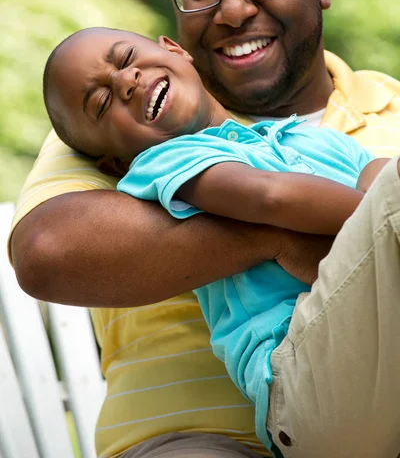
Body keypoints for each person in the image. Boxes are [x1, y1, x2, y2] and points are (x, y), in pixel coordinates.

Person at [9, 0, 400, 458]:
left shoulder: (378, 106)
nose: (233, 10)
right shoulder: (130, 141)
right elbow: (46, 250)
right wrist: (288, 235)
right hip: (205, 437)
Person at [43, 24, 387, 455]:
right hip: (302, 372)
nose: (126, 82)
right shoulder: (170, 162)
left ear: (176, 50)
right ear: (113, 162)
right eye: (102, 101)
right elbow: (270, 196)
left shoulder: (303, 138)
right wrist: (377, 223)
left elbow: (378, 172)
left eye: (126, 59)